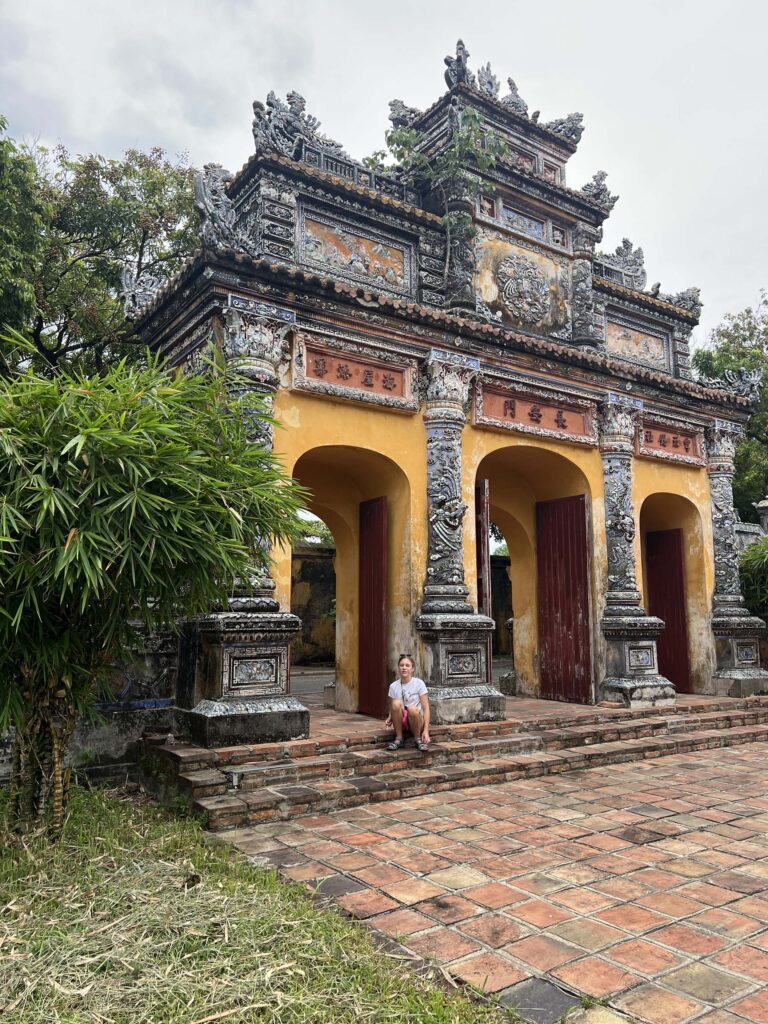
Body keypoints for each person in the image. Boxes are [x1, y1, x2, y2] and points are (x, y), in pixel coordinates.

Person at [385, 654, 431, 752]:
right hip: (403, 721)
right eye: (401, 665)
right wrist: (390, 717)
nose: (404, 668)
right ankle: (399, 738)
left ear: (412, 669)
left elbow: (426, 708)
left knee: (412, 708)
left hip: (417, 720)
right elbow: (393, 707)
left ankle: (418, 739)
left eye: (407, 665)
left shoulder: (419, 683)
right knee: (396, 703)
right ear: (398, 668)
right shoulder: (393, 686)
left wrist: (426, 730)